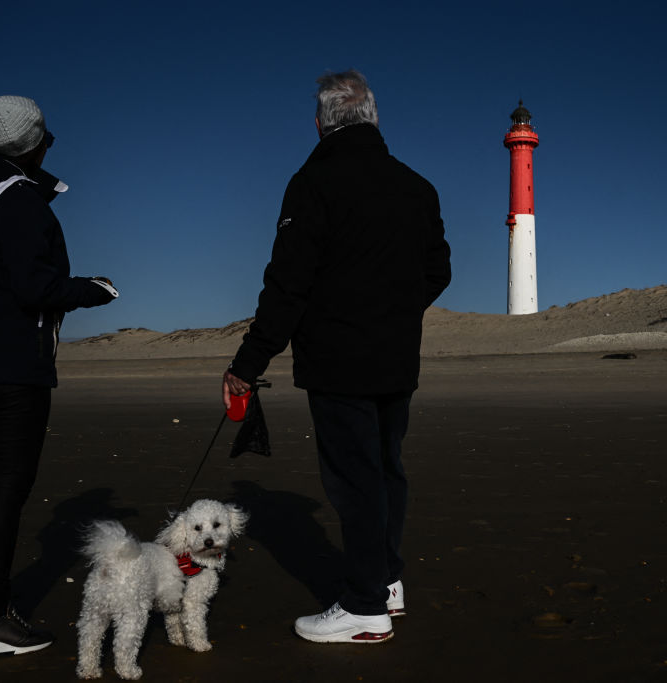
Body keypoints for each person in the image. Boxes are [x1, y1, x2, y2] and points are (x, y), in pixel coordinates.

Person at [222, 70, 452, 643]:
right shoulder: (416, 186)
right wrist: (393, 312)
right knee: (385, 469)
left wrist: (248, 363)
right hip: (395, 357)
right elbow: (438, 271)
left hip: (340, 359)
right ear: (373, 116)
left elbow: (288, 284)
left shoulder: (313, 181)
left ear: (321, 122)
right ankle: (387, 581)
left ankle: (365, 606)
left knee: (357, 481)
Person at [0, 95, 119, 656]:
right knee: (7, 491)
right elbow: (35, 287)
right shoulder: (18, 203)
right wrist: (97, 288)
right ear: (31, 143)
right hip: (14, 363)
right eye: (46, 136)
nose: (51, 143)